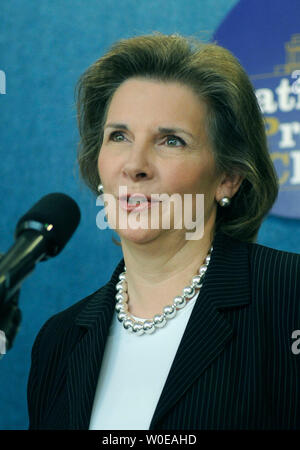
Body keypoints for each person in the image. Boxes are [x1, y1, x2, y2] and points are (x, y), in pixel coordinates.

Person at [27, 32, 300, 430]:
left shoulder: (289, 296)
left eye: (170, 140)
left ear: (228, 177)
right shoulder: (60, 339)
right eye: (118, 136)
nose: (134, 165)